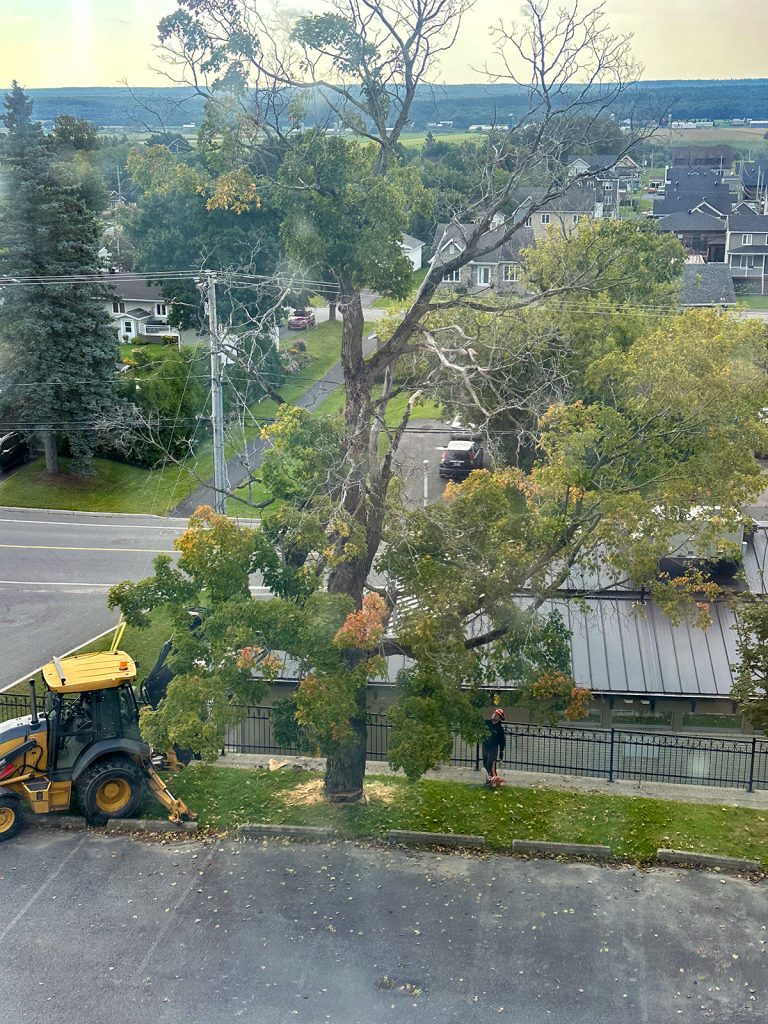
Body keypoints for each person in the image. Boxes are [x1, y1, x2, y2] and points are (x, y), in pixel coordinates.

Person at [482, 707, 506, 786]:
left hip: (493, 748)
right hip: (485, 746)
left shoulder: (499, 729)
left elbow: (502, 741)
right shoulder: (486, 723)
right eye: (494, 713)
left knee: (491, 765)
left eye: (496, 715)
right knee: (485, 763)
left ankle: (494, 781)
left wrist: (501, 751)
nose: (494, 715)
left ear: (499, 718)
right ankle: (491, 781)